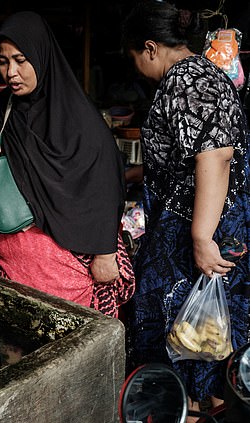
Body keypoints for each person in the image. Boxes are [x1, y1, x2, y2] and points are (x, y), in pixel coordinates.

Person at [121, 1, 250, 417]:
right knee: (204, 337)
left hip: (195, 232)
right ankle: (205, 410)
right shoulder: (206, 74)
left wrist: (200, 238)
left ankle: (191, 412)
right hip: (213, 224)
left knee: (181, 334)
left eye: (135, 57)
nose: (137, 66)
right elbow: (191, 154)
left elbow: (216, 156)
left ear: (150, 48)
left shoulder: (185, 79)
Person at [0, 11, 134, 318]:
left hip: (69, 271)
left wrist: (105, 254)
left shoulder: (80, 120)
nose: (11, 72)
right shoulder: (5, 110)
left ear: (42, 55)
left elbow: (105, 185)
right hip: (15, 266)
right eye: (3, 60)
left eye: (21, 60)